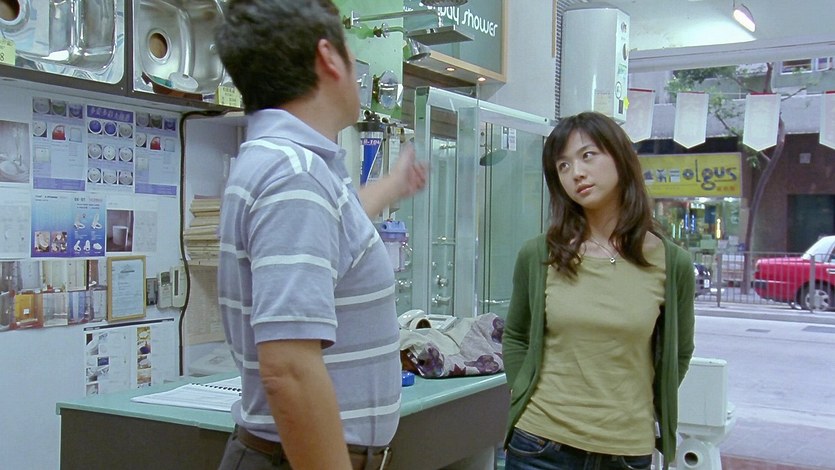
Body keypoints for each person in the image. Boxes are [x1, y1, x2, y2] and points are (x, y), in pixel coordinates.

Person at [214, 1, 427, 469]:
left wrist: (391, 186)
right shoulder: (294, 175)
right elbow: (289, 369)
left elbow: (335, 233)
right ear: (329, 57)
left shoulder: (290, 166)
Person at [501, 111, 695, 469]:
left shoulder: (672, 263)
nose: (576, 173)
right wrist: (521, 387)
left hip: (627, 451)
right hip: (540, 446)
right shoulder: (539, 254)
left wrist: (635, 406)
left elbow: (679, 353)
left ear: (620, 157)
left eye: (587, 155)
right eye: (563, 166)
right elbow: (515, 336)